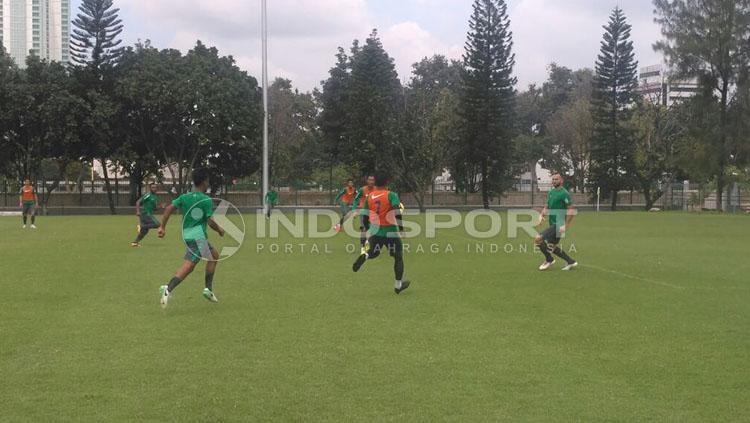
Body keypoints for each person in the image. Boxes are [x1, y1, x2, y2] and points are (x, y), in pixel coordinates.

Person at [157, 168, 225, 308]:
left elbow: (169, 208)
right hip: (197, 236)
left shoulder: (185, 197)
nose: (208, 184)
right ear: (204, 182)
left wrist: (162, 227)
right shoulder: (205, 200)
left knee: (213, 256)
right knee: (189, 266)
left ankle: (208, 289)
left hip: (187, 234)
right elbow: (210, 221)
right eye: (208, 181)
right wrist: (219, 230)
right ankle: (168, 288)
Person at [352, 172, 411, 294]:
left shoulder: (369, 196)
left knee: (373, 253)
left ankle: (365, 256)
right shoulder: (391, 195)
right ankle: (398, 285)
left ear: (375, 183)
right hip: (391, 232)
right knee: (398, 257)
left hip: (376, 231)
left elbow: (365, 215)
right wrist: (401, 228)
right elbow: (396, 211)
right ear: (387, 182)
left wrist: (367, 228)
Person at [535, 172, 578, 271]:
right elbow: (547, 206)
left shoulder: (564, 193)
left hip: (559, 224)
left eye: (556, 179)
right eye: (553, 179)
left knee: (538, 239)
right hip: (552, 223)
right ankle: (571, 262)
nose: (554, 181)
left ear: (561, 181)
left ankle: (549, 260)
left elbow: (571, 209)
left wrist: (566, 226)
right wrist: (541, 215)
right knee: (551, 246)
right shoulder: (551, 193)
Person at [352, 175, 375, 253]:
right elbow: (355, 200)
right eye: (370, 180)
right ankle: (363, 248)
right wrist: (354, 211)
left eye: (373, 180)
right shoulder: (362, 190)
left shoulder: (377, 190)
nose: (371, 182)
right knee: (364, 229)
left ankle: (369, 246)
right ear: (367, 181)